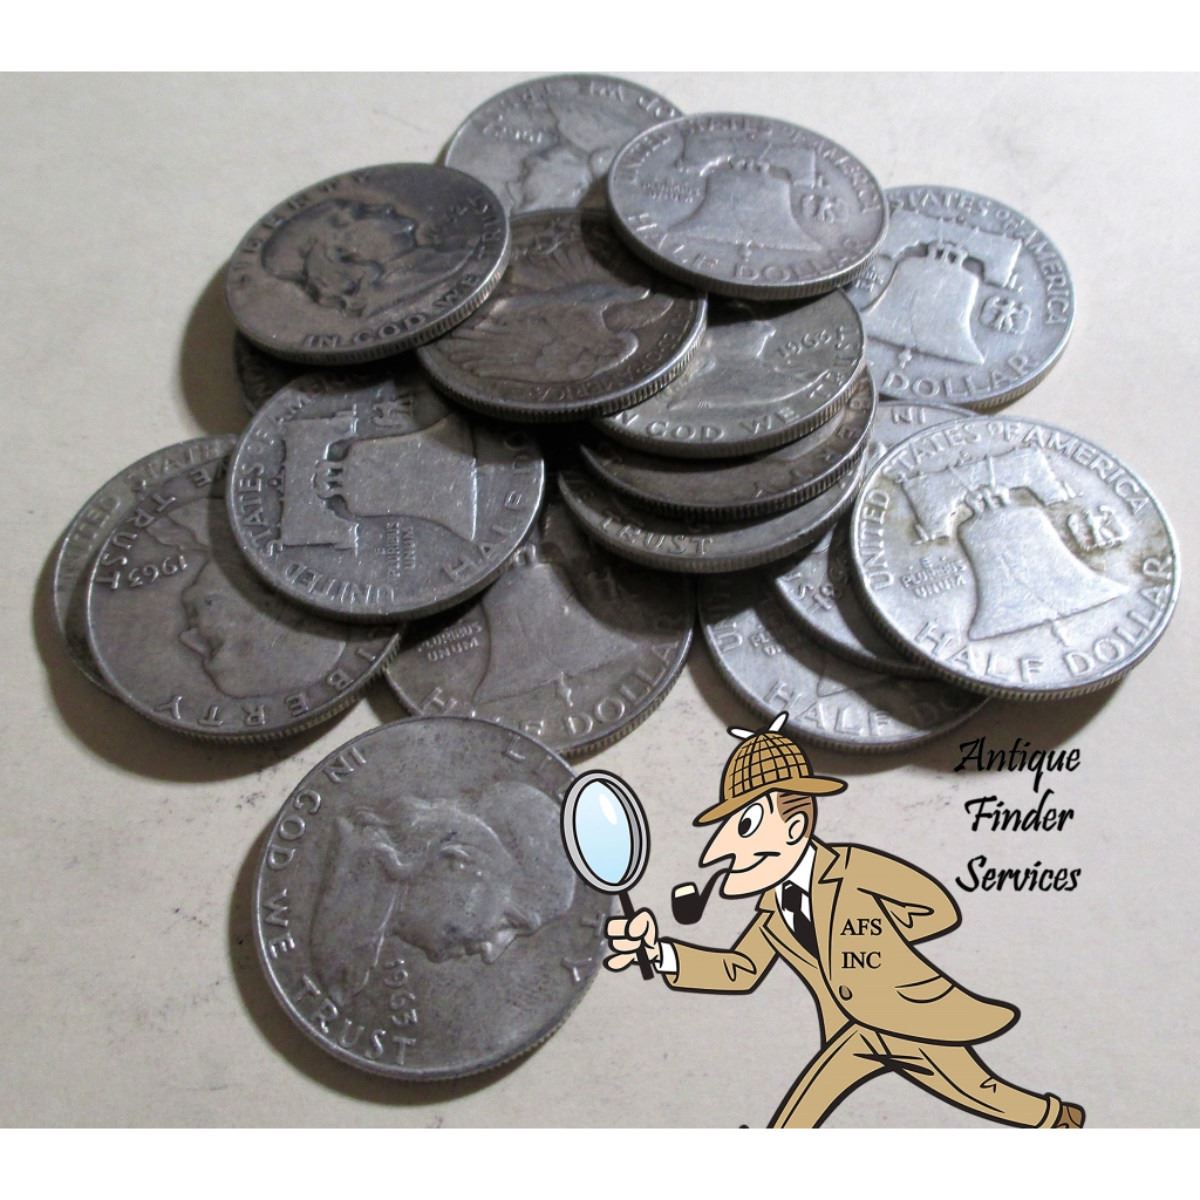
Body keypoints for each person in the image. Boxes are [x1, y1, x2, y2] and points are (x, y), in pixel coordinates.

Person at [605, 714, 1085, 1128]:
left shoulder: (853, 867)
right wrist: (660, 953)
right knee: (810, 1100)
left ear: (795, 826)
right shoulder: (771, 912)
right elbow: (739, 971)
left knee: (980, 1090)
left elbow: (937, 908)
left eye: (746, 826)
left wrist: (879, 939)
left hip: (912, 1018)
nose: (725, 850)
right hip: (852, 1029)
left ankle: (1054, 1118)